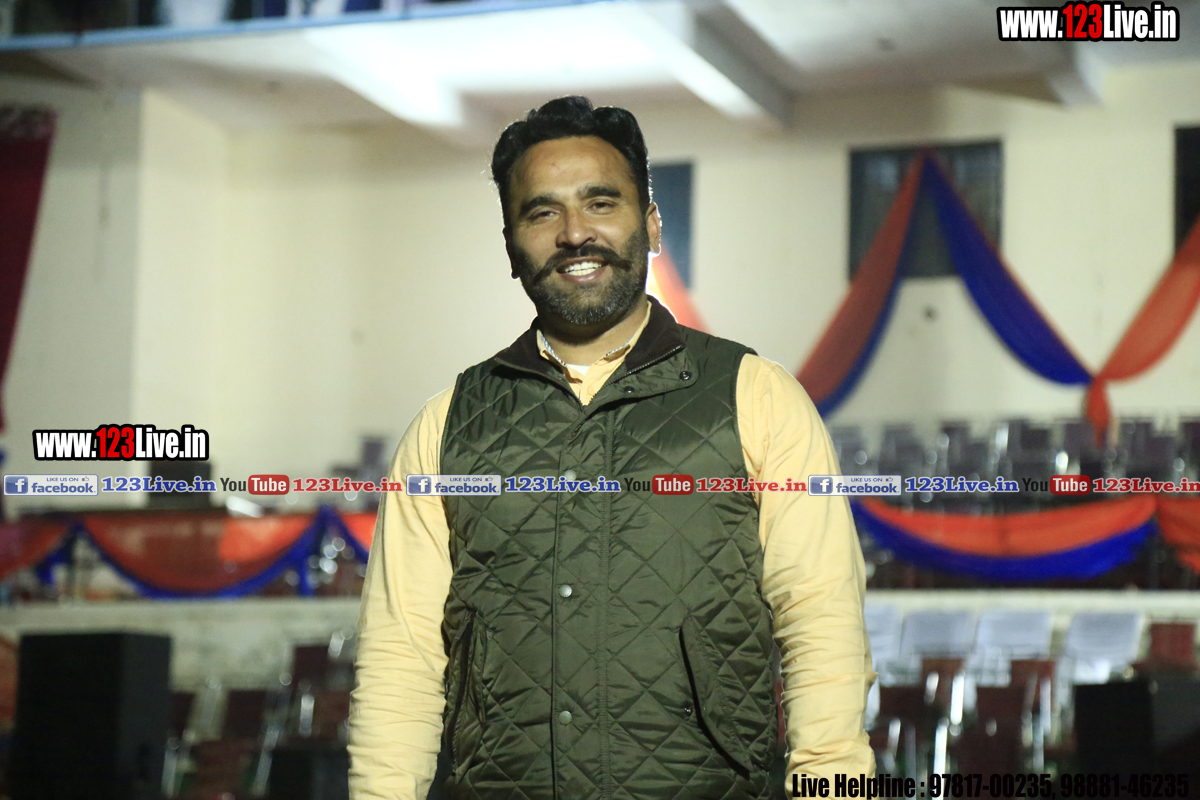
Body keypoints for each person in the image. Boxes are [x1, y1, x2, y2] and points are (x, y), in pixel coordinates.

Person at [349, 96, 874, 800]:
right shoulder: (446, 425)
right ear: (510, 244)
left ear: (651, 223)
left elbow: (823, 626)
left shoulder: (756, 397)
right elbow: (400, 658)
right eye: (542, 213)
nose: (575, 233)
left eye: (601, 203)